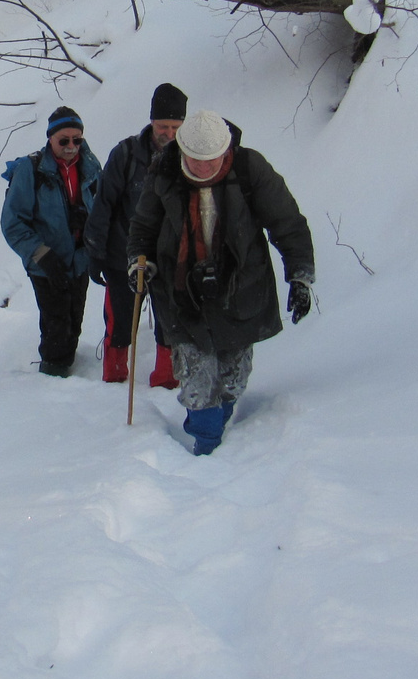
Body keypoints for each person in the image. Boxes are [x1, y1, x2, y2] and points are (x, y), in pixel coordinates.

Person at [126, 109, 314, 454]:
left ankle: (221, 420)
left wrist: (300, 276)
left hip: (240, 288)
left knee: (232, 376)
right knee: (197, 377)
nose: (202, 168)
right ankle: (206, 443)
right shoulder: (164, 171)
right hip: (181, 292)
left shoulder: (249, 169)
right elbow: (144, 226)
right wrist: (139, 262)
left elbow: (287, 222)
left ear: (225, 151)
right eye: (195, 160)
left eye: (210, 160)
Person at [85, 83, 187, 387]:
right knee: (120, 320)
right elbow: (103, 204)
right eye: (162, 126)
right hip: (123, 254)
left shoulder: (190, 156)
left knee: (170, 320)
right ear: (151, 121)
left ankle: (166, 380)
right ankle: (115, 376)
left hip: (170, 256)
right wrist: (95, 252)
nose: (168, 133)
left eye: (175, 126)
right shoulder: (127, 154)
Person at [1, 106, 102, 376]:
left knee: (74, 323)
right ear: (50, 139)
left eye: (77, 139)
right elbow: (12, 223)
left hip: (80, 260)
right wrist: (41, 254)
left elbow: (104, 210)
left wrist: (92, 234)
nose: (71, 146)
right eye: (64, 140)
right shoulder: (30, 169)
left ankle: (66, 369)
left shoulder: (91, 166)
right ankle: (52, 383)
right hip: (46, 264)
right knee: (56, 326)